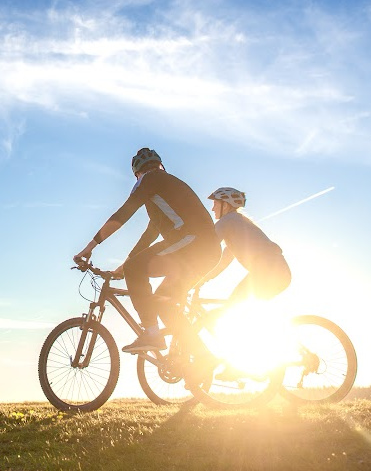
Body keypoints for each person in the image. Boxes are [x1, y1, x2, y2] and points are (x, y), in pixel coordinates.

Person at [74, 148, 221, 353]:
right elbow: (150, 234)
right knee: (164, 303)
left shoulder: (149, 179)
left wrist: (91, 246)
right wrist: (126, 265)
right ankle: (201, 361)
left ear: (138, 173)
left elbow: (124, 213)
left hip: (194, 243)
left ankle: (152, 333)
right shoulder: (164, 190)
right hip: (207, 251)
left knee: (137, 268)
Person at [200, 186, 291, 305]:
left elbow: (206, 246)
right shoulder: (238, 224)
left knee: (232, 305)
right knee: (236, 304)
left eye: (215, 204)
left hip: (267, 270)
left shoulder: (228, 220)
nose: (212, 209)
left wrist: (194, 275)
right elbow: (223, 261)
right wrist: (205, 278)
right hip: (281, 273)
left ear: (225, 205)